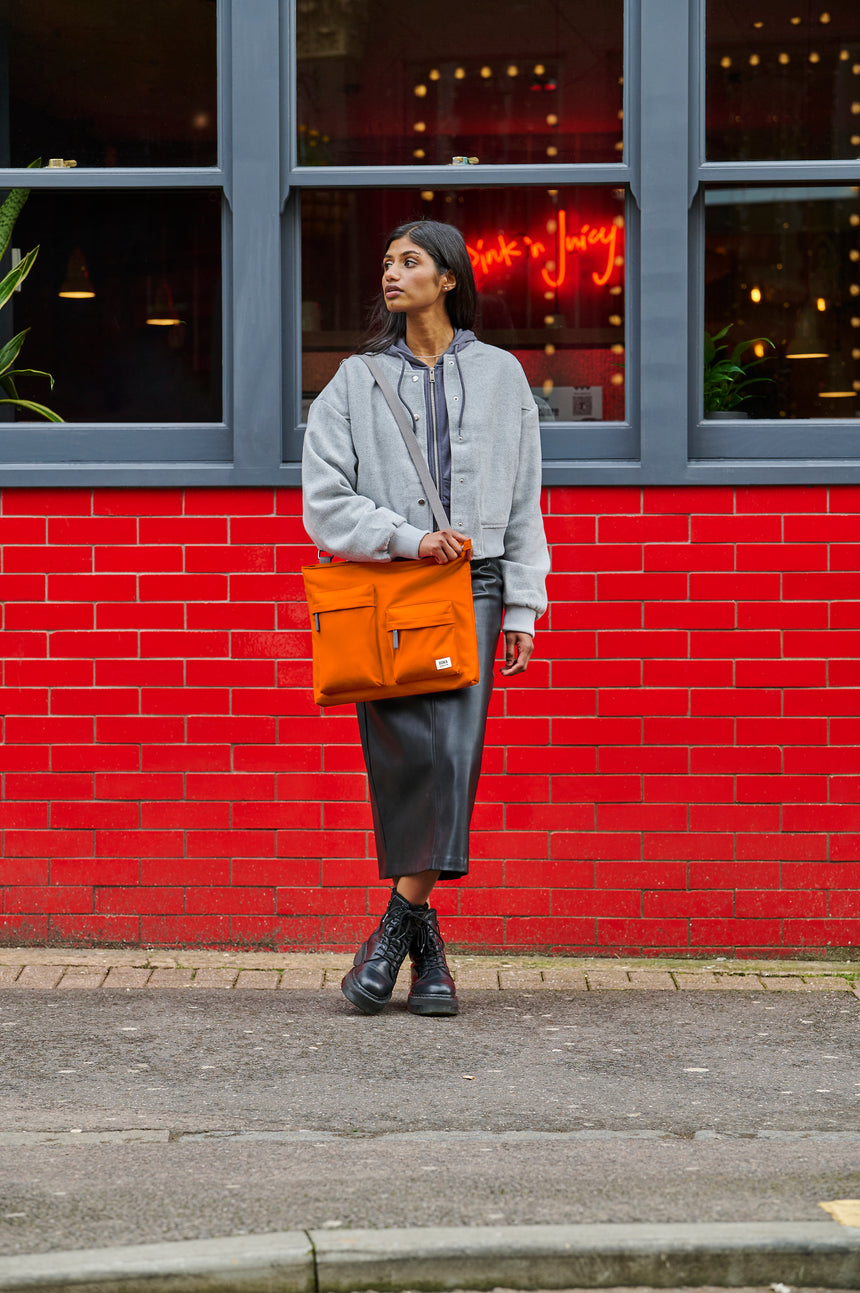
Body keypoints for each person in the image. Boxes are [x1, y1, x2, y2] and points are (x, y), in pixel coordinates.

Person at [302, 219, 549, 1018]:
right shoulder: (354, 381)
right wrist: (408, 537)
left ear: (448, 277)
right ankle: (427, 954)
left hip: (474, 587)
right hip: (393, 587)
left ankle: (391, 932)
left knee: (455, 759)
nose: (390, 272)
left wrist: (522, 604)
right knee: (406, 759)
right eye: (385, 261)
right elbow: (325, 501)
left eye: (409, 261)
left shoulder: (505, 376)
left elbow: (523, 501)